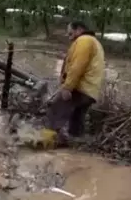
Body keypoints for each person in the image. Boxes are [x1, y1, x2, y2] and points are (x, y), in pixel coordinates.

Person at [36, 21, 106, 149]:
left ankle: (44, 145)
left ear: (79, 29)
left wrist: (67, 87)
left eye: (70, 33)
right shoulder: (94, 42)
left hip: (79, 88)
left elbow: (78, 66)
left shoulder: (84, 40)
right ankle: (75, 148)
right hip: (90, 91)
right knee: (76, 119)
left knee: (55, 111)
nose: (69, 37)